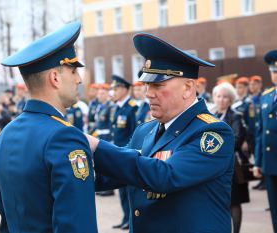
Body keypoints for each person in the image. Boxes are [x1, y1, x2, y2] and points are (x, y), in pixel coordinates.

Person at [88, 33, 235, 233]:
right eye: (147, 84)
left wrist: (96, 146)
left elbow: (165, 176)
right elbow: (116, 173)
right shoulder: (145, 130)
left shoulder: (211, 132)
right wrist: (71, 168)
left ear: (188, 87)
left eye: (158, 85)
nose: (148, 93)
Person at [0, 22, 98, 233]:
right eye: (73, 71)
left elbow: (6, 215)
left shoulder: (7, 133)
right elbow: (76, 225)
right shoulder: (63, 136)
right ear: (55, 78)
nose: (78, 80)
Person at [212, 82, 250, 233]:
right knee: (218, 202)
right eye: (218, 96)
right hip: (215, 167)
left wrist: (215, 148)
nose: (221, 100)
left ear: (231, 99)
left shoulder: (235, 116)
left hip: (233, 166)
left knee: (234, 202)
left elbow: (237, 139)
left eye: (225, 97)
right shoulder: (211, 116)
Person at [110, 74, 138, 230]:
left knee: (127, 190)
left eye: (117, 88)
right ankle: (125, 217)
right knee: (121, 191)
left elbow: (135, 133)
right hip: (117, 151)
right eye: (114, 88)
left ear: (126, 89)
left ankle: (130, 218)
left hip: (126, 153)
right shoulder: (118, 107)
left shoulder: (132, 108)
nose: (114, 91)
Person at [254, 49, 277, 233]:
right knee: (275, 211)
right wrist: (258, 162)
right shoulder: (267, 96)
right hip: (270, 164)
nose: (275, 75)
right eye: (273, 71)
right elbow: (261, 132)